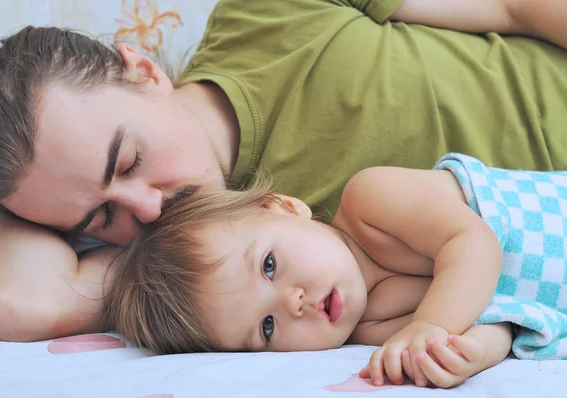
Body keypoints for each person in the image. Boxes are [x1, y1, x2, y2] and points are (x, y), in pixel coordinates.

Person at [0, 0, 567, 341]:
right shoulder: (212, 275)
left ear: (146, 72)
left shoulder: (265, 15)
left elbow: (519, 6)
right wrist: (27, 189)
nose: (147, 211)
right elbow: (22, 306)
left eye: (129, 160)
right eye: (102, 215)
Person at [106, 152, 567, 389]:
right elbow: (500, 315)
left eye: (269, 266)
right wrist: (460, 352)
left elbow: (474, 247)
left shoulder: (371, 199)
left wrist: (430, 327)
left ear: (285, 207)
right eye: (267, 327)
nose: (293, 302)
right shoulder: (370, 328)